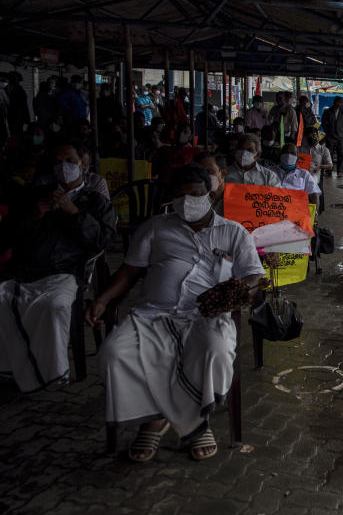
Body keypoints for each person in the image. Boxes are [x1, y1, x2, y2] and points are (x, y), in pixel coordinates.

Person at [90, 163, 265, 461]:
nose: (188, 202)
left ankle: (196, 422)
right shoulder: (156, 228)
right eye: (181, 196)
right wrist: (103, 299)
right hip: (153, 314)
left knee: (215, 349)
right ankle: (154, 418)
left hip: (206, 314)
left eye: (194, 195)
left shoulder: (233, 232)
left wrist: (237, 291)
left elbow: (253, 275)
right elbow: (129, 271)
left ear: (209, 194)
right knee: (115, 353)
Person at [0, 144, 117, 392]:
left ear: (82, 165)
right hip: (25, 270)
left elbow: (103, 241)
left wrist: (74, 212)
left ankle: (50, 372)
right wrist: (33, 216)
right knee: (4, 299)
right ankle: (11, 367)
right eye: (58, 161)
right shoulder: (33, 197)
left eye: (70, 160)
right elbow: (7, 237)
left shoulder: (94, 201)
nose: (64, 166)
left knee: (53, 305)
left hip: (67, 272)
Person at [320, 96, 343, 177]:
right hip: (330, 136)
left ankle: (340, 171)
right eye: (341, 102)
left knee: (341, 154)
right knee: (329, 154)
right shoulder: (328, 111)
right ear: (336, 102)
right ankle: (328, 171)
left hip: (340, 137)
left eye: (342, 102)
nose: (342, 104)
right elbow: (323, 123)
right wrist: (328, 131)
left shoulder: (342, 112)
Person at [6, 72, 30, 139]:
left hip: (16, 119)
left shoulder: (17, 91)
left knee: (16, 136)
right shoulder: (18, 90)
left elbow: (18, 106)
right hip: (17, 119)